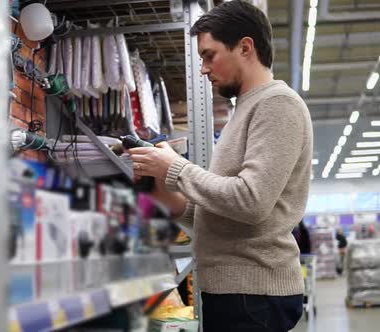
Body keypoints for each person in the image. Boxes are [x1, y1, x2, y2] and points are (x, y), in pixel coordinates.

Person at [127, 1, 312, 331]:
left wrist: (176, 168)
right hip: (234, 292)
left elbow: (251, 202)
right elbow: (227, 210)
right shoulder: (245, 109)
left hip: (253, 295)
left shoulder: (277, 105)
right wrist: (167, 195)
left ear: (244, 47)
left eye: (209, 55)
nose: (203, 69)